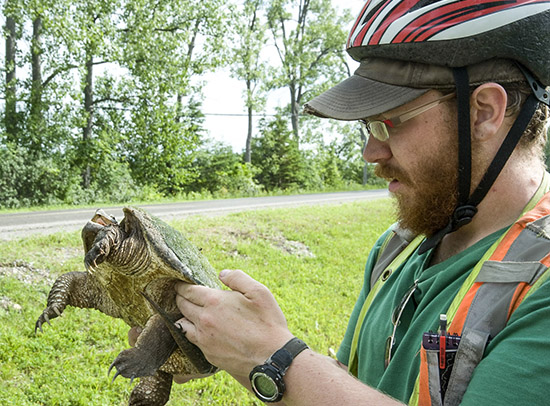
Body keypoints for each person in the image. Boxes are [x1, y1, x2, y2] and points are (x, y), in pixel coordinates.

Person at [132, 1, 550, 404]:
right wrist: (235, 349)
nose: (371, 153)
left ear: (484, 112)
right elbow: (351, 387)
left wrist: (273, 358)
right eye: (368, 127)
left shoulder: (541, 283)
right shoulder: (398, 247)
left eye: (389, 123)